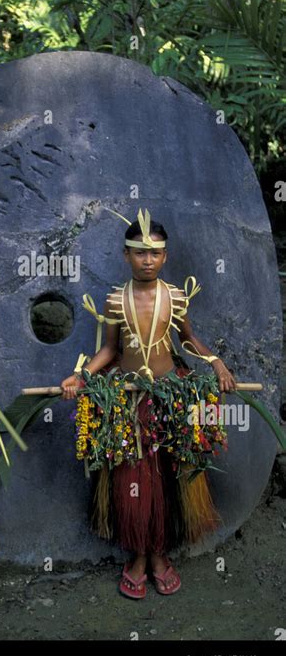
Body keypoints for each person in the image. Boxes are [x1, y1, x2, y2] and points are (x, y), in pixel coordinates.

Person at [60, 208, 236, 599]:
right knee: (133, 478)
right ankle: (138, 555)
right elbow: (109, 349)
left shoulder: (175, 297)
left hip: (171, 395)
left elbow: (187, 341)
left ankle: (159, 554)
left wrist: (216, 362)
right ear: (126, 255)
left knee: (170, 476)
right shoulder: (114, 301)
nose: (147, 260)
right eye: (139, 253)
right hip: (127, 399)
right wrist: (82, 376)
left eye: (155, 253)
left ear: (165, 256)